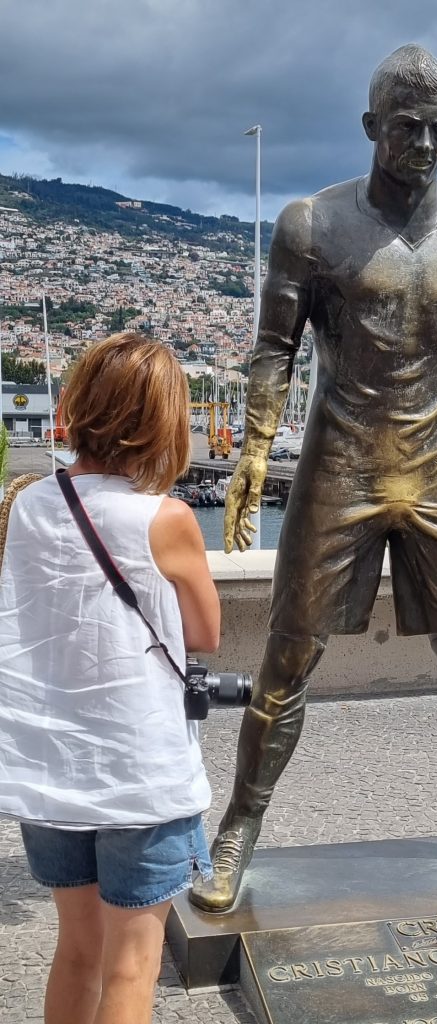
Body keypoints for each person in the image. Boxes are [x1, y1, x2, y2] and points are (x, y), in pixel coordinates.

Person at [191, 44, 437, 914]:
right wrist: (255, 448)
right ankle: (240, 826)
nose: (424, 143)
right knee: (289, 655)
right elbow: (273, 351)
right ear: (371, 127)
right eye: (407, 126)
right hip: (341, 463)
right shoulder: (311, 226)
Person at [0, 332, 220, 1024]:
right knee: (133, 966)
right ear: (163, 422)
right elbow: (203, 635)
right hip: (138, 775)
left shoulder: (26, 502)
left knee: (78, 951)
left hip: (50, 770)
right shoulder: (168, 518)